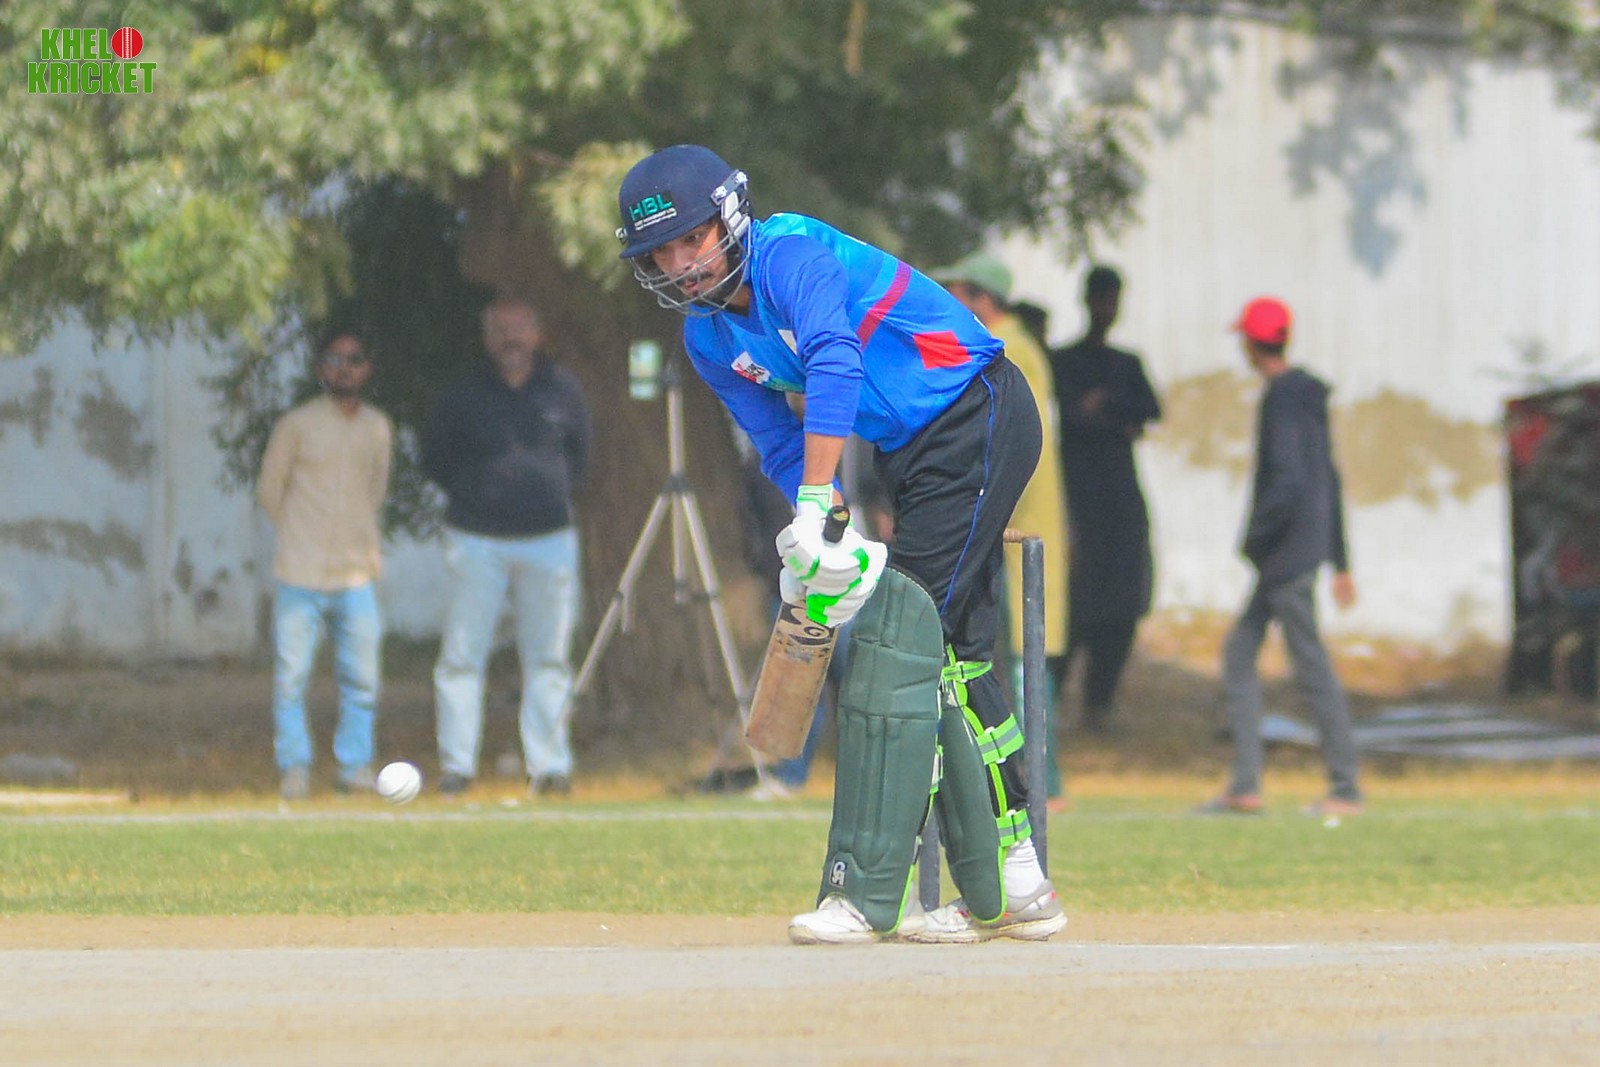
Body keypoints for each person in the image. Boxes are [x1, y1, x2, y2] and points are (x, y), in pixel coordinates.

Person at [616, 144, 1066, 945]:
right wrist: (823, 533)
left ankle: (865, 892)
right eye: (662, 252)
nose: (682, 264)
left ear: (730, 217)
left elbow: (833, 361)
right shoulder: (708, 339)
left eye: (692, 239)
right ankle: (1015, 881)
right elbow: (776, 443)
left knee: (898, 643)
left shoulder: (793, 256)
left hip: (974, 411)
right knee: (954, 656)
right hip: (907, 450)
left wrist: (820, 499)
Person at [1198, 296, 1363, 817]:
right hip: (1298, 552)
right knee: (1240, 654)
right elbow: (1328, 477)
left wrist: (1255, 538)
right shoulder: (1307, 396)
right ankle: (1245, 785)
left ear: (1252, 344)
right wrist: (1340, 560)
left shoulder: (1283, 399)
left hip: (1285, 556)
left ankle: (1345, 787)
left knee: (1309, 664)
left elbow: (1289, 480)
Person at [421, 298, 592, 797]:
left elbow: (582, 456)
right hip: (476, 541)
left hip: (549, 540)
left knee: (549, 659)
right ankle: (457, 768)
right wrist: (478, 494)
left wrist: (544, 493)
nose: (510, 338)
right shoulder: (463, 393)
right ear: (487, 338)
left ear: (537, 334)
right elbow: (435, 457)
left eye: (519, 328)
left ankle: (550, 766)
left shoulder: (563, 389)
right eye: (500, 329)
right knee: (461, 657)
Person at [930, 253, 1068, 808]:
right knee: (1016, 654)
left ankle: (1042, 781)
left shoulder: (1006, 347)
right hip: (1016, 513)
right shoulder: (1019, 344)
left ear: (981, 298)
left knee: (1022, 656)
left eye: (958, 292)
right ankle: (1033, 779)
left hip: (1017, 517)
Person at [256, 332, 393, 800]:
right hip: (300, 572)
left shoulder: (377, 427)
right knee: (291, 679)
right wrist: (301, 533)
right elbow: (270, 491)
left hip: (356, 574)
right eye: (335, 360)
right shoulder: (297, 425)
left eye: (354, 359)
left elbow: (375, 491)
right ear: (320, 368)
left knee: (363, 681)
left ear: (367, 369)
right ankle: (294, 768)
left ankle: (354, 767)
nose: (345, 368)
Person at [1048, 266, 1161, 734]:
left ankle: (1100, 702)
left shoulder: (1125, 364)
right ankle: (1051, 701)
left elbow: (1150, 410)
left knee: (1121, 604)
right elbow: (1072, 419)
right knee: (1071, 604)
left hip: (1119, 500)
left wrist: (1103, 407)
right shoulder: (1064, 361)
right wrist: (1115, 419)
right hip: (1075, 499)